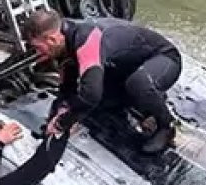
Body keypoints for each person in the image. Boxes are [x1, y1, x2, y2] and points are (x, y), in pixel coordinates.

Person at [25, 9, 183, 154]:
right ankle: (137, 101)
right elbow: (67, 87)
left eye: (39, 48)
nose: (39, 53)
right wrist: (56, 114)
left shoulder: (85, 38)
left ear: (52, 39)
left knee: (136, 84)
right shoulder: (62, 40)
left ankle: (166, 126)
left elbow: (91, 94)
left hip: (164, 59)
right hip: (124, 67)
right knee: (100, 105)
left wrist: (63, 123)